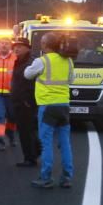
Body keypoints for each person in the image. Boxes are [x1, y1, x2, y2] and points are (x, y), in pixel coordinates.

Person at [24, 32, 74, 188]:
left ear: (45, 45)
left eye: (42, 42)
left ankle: (46, 177)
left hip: (47, 107)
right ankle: (67, 177)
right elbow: (71, 80)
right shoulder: (69, 61)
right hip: (64, 106)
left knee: (46, 143)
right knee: (65, 143)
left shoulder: (42, 61)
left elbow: (27, 75)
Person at [10, 37, 39, 167]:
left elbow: (32, 84)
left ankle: (30, 158)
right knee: (27, 130)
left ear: (28, 48)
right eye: (15, 46)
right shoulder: (19, 61)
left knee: (26, 131)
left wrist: (28, 100)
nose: (16, 48)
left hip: (26, 102)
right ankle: (35, 151)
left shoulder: (30, 62)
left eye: (20, 46)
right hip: (19, 101)